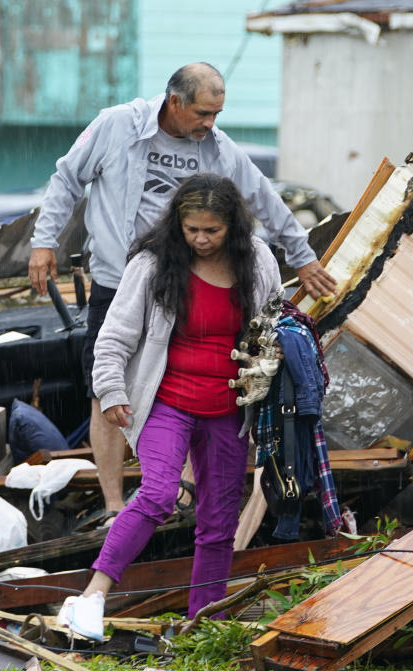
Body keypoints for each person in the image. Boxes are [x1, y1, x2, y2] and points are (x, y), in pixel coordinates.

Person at [28, 62, 336, 517]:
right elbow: (66, 178)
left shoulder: (217, 148)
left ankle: (184, 492)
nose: (211, 124)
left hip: (186, 281)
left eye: (217, 114)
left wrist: (302, 254)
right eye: (203, 114)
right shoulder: (118, 126)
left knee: (189, 383)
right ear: (175, 102)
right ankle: (115, 504)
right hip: (119, 281)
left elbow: (261, 196)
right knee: (106, 386)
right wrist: (43, 242)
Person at [56, 173, 283, 640]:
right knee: (159, 494)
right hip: (166, 401)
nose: (200, 239)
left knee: (220, 520)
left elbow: (274, 330)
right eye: (191, 228)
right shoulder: (154, 262)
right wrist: (113, 391)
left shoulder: (256, 260)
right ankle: (91, 597)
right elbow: (114, 337)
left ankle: (205, 625)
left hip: (229, 408)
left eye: (211, 231)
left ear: (232, 227)